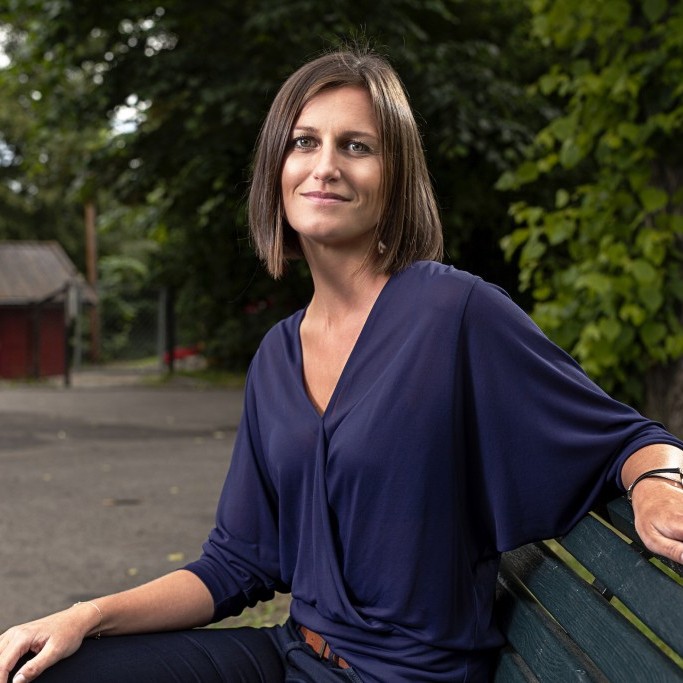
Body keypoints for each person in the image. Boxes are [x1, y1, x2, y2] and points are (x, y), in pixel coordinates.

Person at [2, 47, 683, 683]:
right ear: (277, 167)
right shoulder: (277, 354)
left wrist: (655, 483)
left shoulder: (453, 313)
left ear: (395, 177)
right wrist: (85, 615)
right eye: (304, 142)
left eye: (356, 146)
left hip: (401, 675)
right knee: (44, 672)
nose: (324, 165)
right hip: (294, 655)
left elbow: (629, 439)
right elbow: (237, 562)